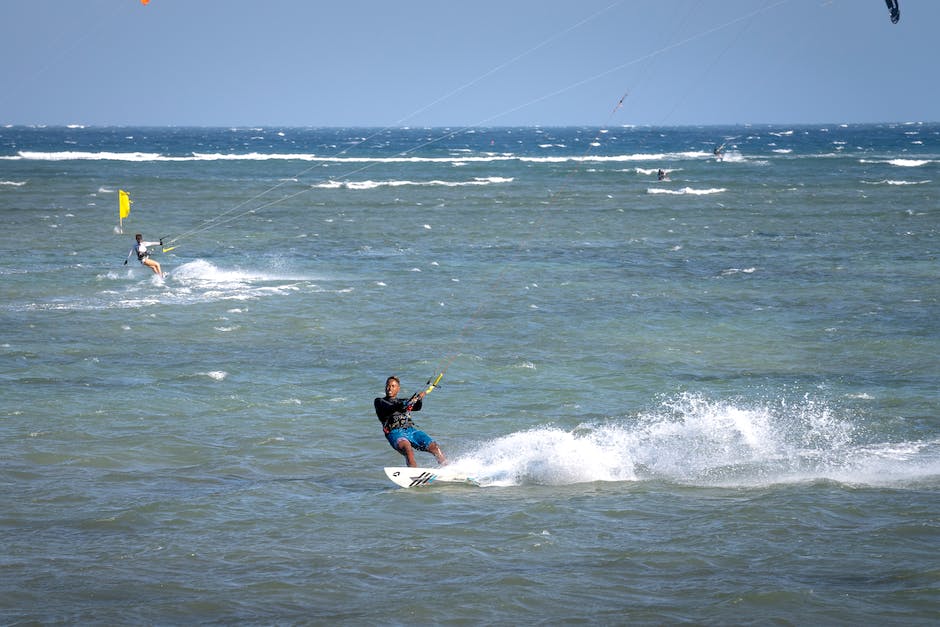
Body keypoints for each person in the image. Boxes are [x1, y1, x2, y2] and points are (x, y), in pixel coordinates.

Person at [374, 375, 447, 467]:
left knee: (434, 446)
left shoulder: (403, 400)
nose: (389, 388)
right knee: (407, 448)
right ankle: (414, 475)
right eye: (388, 386)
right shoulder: (379, 401)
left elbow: (417, 407)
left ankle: (447, 467)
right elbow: (392, 406)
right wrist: (406, 403)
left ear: (398, 388)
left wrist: (419, 399)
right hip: (395, 433)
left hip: (410, 430)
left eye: (393, 386)